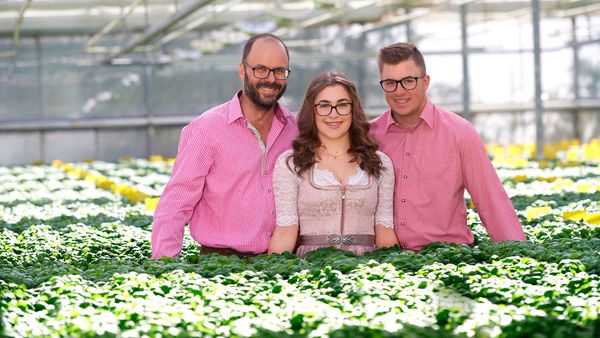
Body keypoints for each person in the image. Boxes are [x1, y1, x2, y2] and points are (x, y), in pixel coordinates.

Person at [151, 33, 297, 259]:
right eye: (261, 69)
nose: (271, 78)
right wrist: (164, 266)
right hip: (220, 266)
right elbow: (176, 202)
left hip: (284, 264)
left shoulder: (296, 130)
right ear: (242, 71)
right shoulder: (207, 129)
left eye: (279, 71)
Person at [369, 42, 526, 252]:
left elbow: (491, 201)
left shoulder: (460, 133)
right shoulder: (368, 136)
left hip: (448, 258)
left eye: (408, 81)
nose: (399, 91)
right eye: (390, 83)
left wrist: (519, 256)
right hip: (385, 262)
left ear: (425, 82)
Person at [268, 71, 398, 257]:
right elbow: (285, 231)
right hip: (311, 268)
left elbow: (385, 231)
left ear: (353, 109)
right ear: (311, 110)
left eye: (342, 105)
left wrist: (396, 276)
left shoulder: (380, 163)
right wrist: (271, 275)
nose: (334, 114)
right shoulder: (291, 163)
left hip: (366, 268)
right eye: (324, 106)